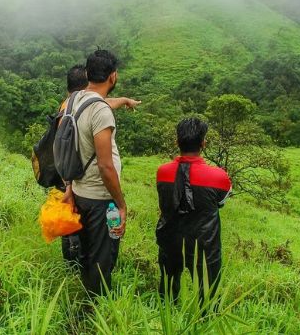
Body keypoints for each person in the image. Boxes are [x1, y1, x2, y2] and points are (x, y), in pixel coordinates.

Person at [59, 65, 140, 267]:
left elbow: (103, 103)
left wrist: (124, 101)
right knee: (100, 255)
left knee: (84, 244)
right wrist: (121, 204)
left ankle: (79, 270)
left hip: (76, 186)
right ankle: (96, 293)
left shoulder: (71, 104)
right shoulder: (92, 109)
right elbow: (105, 165)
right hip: (95, 194)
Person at [60, 50, 127, 296]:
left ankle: (85, 299)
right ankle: (94, 312)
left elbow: (67, 148)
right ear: (113, 76)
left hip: (79, 191)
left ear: (87, 74)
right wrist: (121, 204)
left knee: (87, 253)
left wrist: (69, 187)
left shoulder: (74, 100)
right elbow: (105, 165)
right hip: (100, 199)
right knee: (102, 259)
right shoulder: (101, 112)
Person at [155, 118, 231, 300]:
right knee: (208, 294)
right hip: (205, 243)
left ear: (177, 142)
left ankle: (166, 319)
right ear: (203, 143)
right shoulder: (220, 176)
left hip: (170, 238)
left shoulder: (162, 171)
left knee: (167, 289)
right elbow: (220, 203)